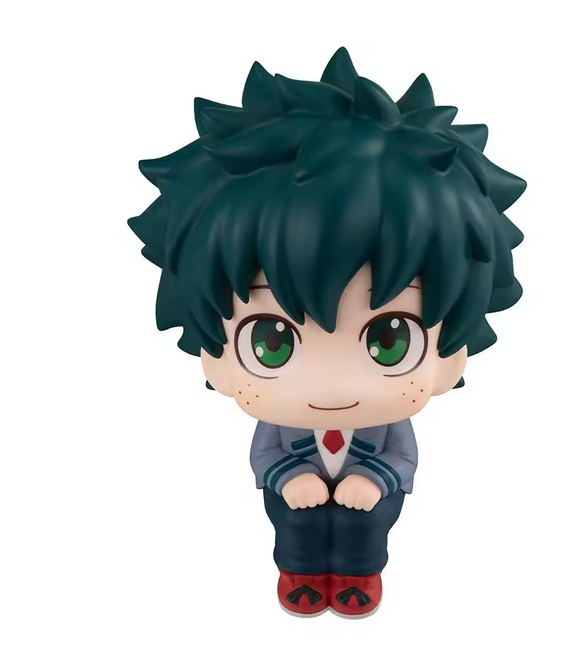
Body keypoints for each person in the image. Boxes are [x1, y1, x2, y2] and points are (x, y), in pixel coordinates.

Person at [128, 47, 525, 617]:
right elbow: (264, 456)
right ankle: (300, 574)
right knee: (294, 527)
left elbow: (404, 459)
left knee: (367, 530)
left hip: (370, 497)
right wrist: (289, 478)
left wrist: (375, 480)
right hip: (296, 497)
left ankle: (362, 575)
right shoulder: (279, 422)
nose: (333, 384)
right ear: (212, 353)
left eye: (390, 340)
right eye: (271, 343)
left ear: (452, 353)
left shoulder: (389, 422)